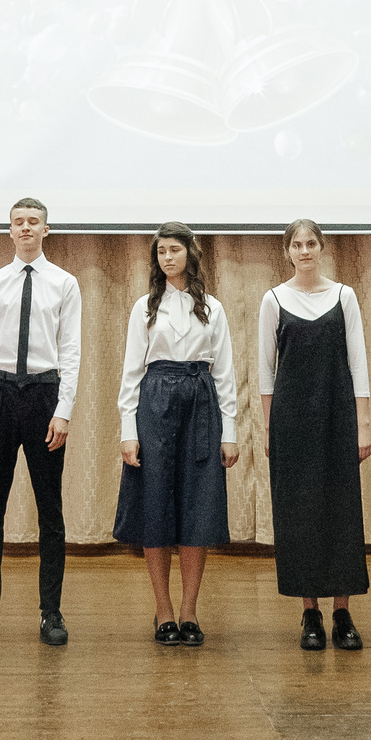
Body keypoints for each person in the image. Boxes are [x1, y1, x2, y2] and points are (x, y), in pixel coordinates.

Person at [0, 197, 81, 648]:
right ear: (9, 231)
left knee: (49, 509)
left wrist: (64, 409)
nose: (26, 228)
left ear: (46, 230)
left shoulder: (65, 283)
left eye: (34, 222)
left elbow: (70, 350)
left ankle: (50, 612)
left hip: (44, 395)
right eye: (19, 222)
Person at [115, 221, 239, 646]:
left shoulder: (213, 308)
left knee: (196, 506)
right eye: (161, 252)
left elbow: (224, 372)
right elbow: (132, 373)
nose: (168, 258)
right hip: (155, 404)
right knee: (156, 505)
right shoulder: (144, 308)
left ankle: (189, 610)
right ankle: (163, 609)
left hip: (201, 405)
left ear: (190, 253)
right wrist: (128, 431)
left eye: (174, 250)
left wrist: (231, 432)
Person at [258, 217, 371, 651]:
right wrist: (269, 428)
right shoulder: (273, 300)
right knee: (299, 512)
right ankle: (310, 612)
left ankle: (342, 611)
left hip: (338, 417)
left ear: (322, 248)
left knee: (341, 509)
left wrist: (364, 423)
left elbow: (358, 363)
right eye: (296, 244)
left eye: (311, 243)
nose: (304, 251)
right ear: (287, 252)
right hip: (291, 422)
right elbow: (266, 372)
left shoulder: (345, 296)